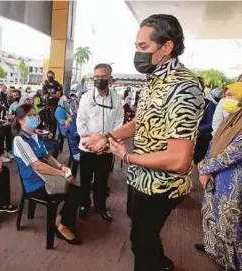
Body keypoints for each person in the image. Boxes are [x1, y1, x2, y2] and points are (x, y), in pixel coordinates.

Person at [83, 15, 204, 271]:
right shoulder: (153, 80)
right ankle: (161, 262)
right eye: (136, 46)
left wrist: (126, 157)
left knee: (141, 241)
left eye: (143, 47)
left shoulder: (184, 86)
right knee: (140, 231)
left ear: (167, 47)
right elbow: (140, 122)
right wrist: (106, 137)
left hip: (161, 186)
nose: (137, 53)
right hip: (140, 176)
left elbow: (179, 160)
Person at [195, 81, 242, 270]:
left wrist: (203, 168)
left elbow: (231, 155)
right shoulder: (231, 118)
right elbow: (213, 144)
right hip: (217, 175)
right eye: (226, 95)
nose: (227, 99)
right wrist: (207, 169)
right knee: (212, 214)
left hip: (238, 181)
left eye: (232, 95)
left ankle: (240, 264)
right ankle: (217, 252)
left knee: (232, 224)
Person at [12, 104, 82, 244]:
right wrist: (61, 174)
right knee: (74, 191)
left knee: (79, 191)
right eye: (29, 115)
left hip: (47, 178)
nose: (34, 118)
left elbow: (47, 157)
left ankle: (60, 220)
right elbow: (37, 165)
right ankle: (61, 227)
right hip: (35, 184)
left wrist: (61, 166)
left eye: (34, 114)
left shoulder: (35, 136)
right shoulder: (20, 140)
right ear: (20, 120)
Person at [76, 63, 122, 222]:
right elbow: (80, 123)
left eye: (103, 77)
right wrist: (92, 142)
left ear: (110, 78)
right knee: (85, 181)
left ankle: (101, 207)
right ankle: (84, 205)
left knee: (102, 181)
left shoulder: (116, 99)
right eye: (97, 77)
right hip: (87, 148)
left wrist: (106, 143)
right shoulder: (86, 97)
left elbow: (119, 123)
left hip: (106, 149)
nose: (100, 79)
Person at [193, 88, 222, 164]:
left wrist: (199, 130)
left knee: (197, 161)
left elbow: (211, 124)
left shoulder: (209, 104)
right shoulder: (187, 103)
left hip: (202, 138)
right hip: (189, 137)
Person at [42, 71, 63, 137]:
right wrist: (50, 95)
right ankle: (48, 133)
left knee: (53, 119)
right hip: (47, 104)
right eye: (48, 76)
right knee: (47, 120)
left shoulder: (57, 85)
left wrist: (50, 94)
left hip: (54, 104)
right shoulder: (45, 85)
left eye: (51, 76)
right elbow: (44, 95)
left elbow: (58, 95)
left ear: (54, 76)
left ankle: (53, 134)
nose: (49, 77)